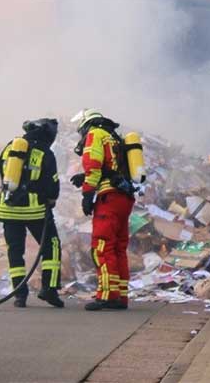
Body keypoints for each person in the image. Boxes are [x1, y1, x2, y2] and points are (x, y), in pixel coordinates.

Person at [0, 118, 64, 308]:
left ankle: (19, 295)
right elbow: (52, 183)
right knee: (52, 245)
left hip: (7, 208)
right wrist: (50, 198)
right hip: (34, 210)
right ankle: (49, 288)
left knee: (15, 252)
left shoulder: (11, 147)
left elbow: (4, 175)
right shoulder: (44, 152)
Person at [71, 109, 135, 311]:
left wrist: (87, 194)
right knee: (118, 248)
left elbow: (94, 165)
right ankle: (121, 296)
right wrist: (86, 178)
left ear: (86, 124)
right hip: (124, 197)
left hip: (109, 197)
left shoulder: (95, 134)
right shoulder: (114, 138)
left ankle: (107, 295)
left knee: (102, 245)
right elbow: (112, 168)